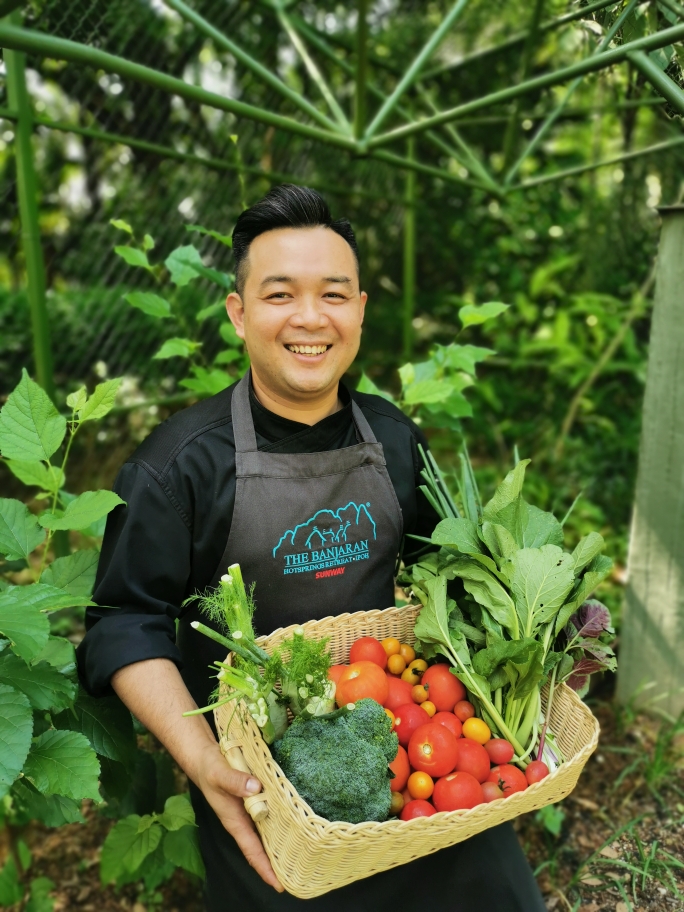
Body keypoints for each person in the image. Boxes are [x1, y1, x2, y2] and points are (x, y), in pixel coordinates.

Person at [77, 184, 546, 912]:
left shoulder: (393, 439)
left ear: (359, 310)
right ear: (238, 313)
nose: (308, 318)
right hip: (259, 776)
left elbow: (442, 572)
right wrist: (204, 764)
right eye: (279, 295)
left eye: (333, 294)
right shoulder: (179, 467)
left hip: (404, 734)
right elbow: (122, 622)